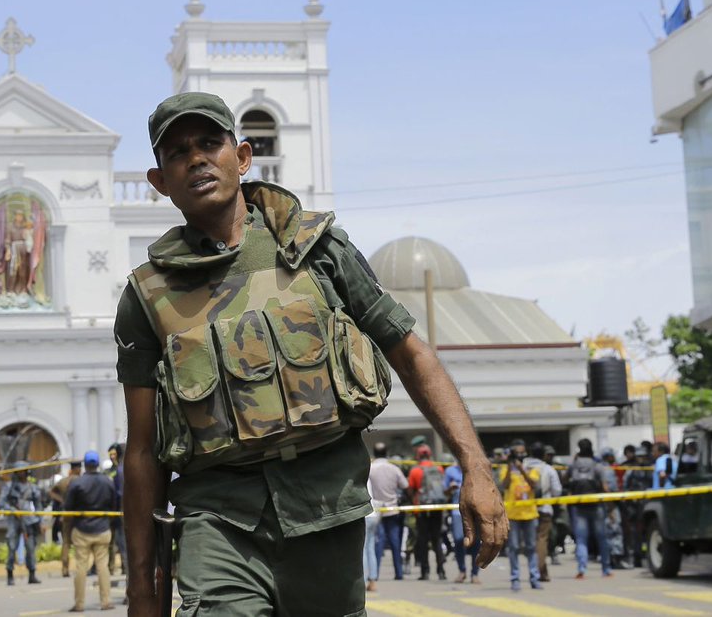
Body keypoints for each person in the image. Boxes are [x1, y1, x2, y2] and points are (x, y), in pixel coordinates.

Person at [116, 92, 508, 616]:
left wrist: (475, 469)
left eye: (211, 143)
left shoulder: (317, 251)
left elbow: (410, 354)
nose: (196, 159)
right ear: (160, 181)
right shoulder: (147, 296)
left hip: (325, 513)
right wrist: (141, 588)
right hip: (217, 521)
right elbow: (141, 450)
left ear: (244, 156)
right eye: (177, 153)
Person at [65, 450, 119, 612]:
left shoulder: (77, 483)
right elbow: (114, 506)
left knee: (81, 567)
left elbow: (68, 507)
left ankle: (79, 604)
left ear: (85, 465)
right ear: (97, 464)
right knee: (102, 566)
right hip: (102, 528)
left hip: (82, 529)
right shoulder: (108, 481)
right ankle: (106, 601)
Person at [563, 439, 611, 579]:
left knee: (581, 539)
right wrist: (611, 505)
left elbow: (564, 481)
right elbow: (605, 488)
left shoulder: (574, 465)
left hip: (579, 506)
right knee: (602, 538)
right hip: (597, 506)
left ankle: (582, 569)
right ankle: (606, 569)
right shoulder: (597, 465)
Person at [499, 441, 541, 591]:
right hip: (513, 515)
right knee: (514, 548)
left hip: (529, 513)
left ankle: (534, 578)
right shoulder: (505, 468)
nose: (520, 455)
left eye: (522, 452)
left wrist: (521, 469)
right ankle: (515, 578)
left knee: (531, 547)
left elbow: (534, 484)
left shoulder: (531, 467)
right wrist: (511, 467)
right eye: (517, 453)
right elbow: (504, 485)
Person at [369, 442, 410, 581]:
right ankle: (398, 573)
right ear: (386, 453)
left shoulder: (370, 469)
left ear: (374, 454)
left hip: (376, 509)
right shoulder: (394, 468)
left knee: (378, 542)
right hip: (392, 509)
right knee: (395, 541)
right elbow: (405, 485)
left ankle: (375, 574)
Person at [406, 444, 448, 580]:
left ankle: (425, 571)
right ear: (430, 455)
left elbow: (410, 489)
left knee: (423, 540)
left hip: (421, 508)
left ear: (418, 456)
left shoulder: (415, 470)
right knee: (437, 539)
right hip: (437, 507)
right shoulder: (439, 468)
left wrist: (414, 502)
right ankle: (441, 570)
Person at [0, 461, 43, 586]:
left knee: (30, 548)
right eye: (18, 471)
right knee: (12, 547)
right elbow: (1, 503)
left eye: (23, 471)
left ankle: (32, 573)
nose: (21, 474)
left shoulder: (32, 487)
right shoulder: (9, 486)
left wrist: (39, 519)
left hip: (29, 521)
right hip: (14, 520)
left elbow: (38, 505)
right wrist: (13, 510)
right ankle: (10, 574)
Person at [523, 442, 560, 582]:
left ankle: (540, 571)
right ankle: (539, 570)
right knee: (541, 540)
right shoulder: (548, 469)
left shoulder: (523, 467)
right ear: (544, 454)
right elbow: (557, 491)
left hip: (524, 508)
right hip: (544, 508)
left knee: (529, 541)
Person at [443, 455, 480, 584]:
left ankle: (474, 574)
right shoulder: (450, 471)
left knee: (475, 542)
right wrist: (450, 488)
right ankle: (462, 571)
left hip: (475, 512)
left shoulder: (476, 471)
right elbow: (445, 492)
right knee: (459, 540)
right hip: (457, 511)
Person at [50, 460, 83, 577]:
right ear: (78, 469)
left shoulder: (63, 481)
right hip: (79, 515)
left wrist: (62, 500)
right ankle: (81, 568)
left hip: (66, 514)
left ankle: (65, 569)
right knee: (80, 542)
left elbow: (52, 492)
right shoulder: (80, 481)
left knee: (66, 543)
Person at [622, 445, 653, 567]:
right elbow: (626, 485)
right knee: (635, 532)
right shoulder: (632, 469)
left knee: (648, 530)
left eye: (643, 456)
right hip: (634, 505)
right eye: (639, 456)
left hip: (648, 503)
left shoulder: (650, 469)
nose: (641, 459)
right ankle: (637, 557)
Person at [599, 449, 625, 569]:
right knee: (615, 530)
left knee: (607, 531)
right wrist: (611, 508)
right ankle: (616, 558)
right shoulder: (608, 470)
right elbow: (608, 489)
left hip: (601, 505)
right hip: (610, 505)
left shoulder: (599, 468)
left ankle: (608, 558)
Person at [107, 443, 127, 575]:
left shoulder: (120, 470)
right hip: (119, 511)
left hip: (120, 510)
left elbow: (119, 493)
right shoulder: (111, 471)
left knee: (122, 540)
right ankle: (114, 566)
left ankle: (125, 566)